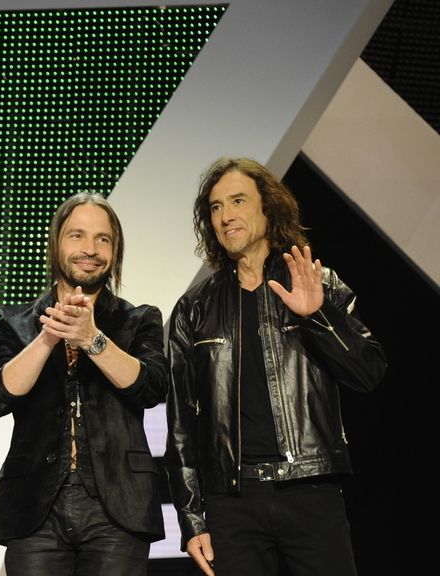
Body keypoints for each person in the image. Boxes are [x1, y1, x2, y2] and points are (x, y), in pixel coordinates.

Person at [164, 157, 386, 576]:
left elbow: (368, 372)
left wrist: (318, 316)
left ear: (268, 208)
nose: (225, 216)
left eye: (238, 201)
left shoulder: (316, 282)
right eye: (215, 207)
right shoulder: (194, 309)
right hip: (232, 502)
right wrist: (191, 518)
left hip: (309, 487)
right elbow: (181, 427)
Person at [0, 193, 168, 575]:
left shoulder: (139, 320)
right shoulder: (15, 323)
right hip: (34, 507)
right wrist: (48, 337)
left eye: (103, 239)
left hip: (118, 507)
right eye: (77, 235)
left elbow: (152, 388)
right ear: (56, 244)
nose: (90, 250)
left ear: (115, 251)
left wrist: (91, 339)